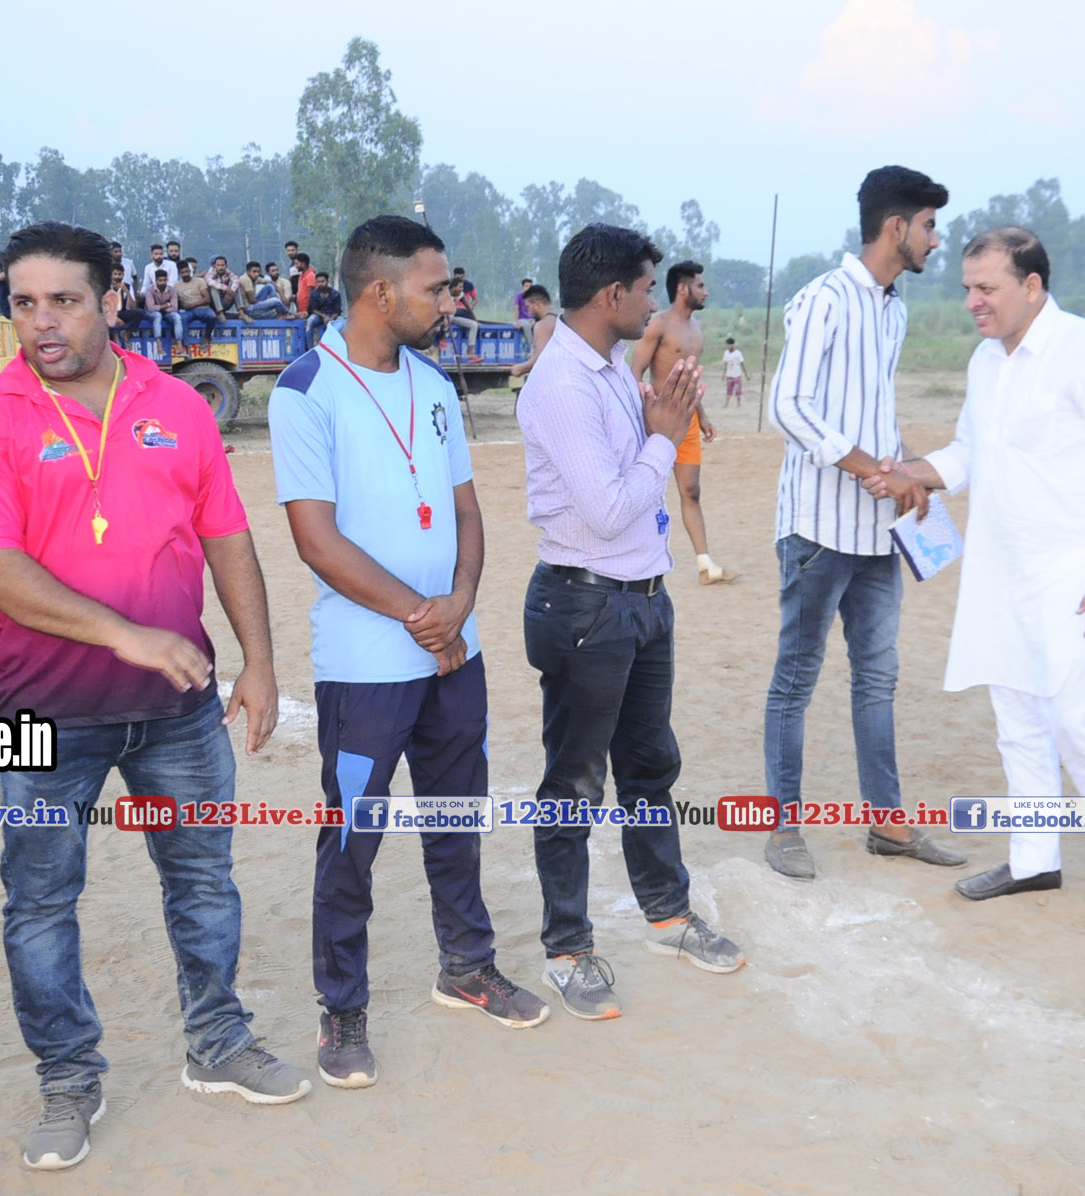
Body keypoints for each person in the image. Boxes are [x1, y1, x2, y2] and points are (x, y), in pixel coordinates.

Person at [0, 221, 309, 1171]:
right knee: (39, 902)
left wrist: (259, 662)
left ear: (111, 301)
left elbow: (226, 537)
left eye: (63, 301)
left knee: (203, 882)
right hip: (42, 716)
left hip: (180, 714)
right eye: (25, 303)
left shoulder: (177, 405)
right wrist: (125, 633)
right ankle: (69, 1079)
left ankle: (217, 1044)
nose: (41, 322)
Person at [269, 214, 549, 1090]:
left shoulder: (432, 383)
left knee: (457, 818)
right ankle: (341, 1006)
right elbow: (316, 540)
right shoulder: (305, 390)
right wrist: (420, 615)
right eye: (436, 288)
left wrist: (457, 607)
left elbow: (466, 509)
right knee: (353, 836)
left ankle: (466, 965)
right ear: (381, 292)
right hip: (365, 668)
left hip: (454, 655)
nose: (449, 300)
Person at [872, 227, 1085, 906]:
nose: (972, 300)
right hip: (1000, 573)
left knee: (1079, 719)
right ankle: (1034, 860)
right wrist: (912, 473)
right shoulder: (985, 361)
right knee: (1019, 721)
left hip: (1077, 574)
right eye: (967, 287)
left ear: (1031, 286)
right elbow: (970, 452)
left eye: (986, 288)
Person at [516, 222, 746, 1019]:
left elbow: (630, 476)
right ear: (611, 294)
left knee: (650, 769)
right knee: (574, 783)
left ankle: (667, 914)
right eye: (646, 290)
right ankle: (567, 949)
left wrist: (658, 426)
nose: (654, 305)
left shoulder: (613, 364)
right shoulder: (563, 383)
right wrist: (663, 440)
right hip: (585, 604)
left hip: (644, 599)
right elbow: (610, 508)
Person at [762, 165, 965, 881]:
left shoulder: (894, 310)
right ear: (895, 226)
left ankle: (888, 823)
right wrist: (865, 469)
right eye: (929, 226)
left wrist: (905, 472)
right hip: (817, 530)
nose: (935, 240)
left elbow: (873, 414)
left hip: (879, 534)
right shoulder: (824, 299)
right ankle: (784, 826)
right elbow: (788, 407)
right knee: (796, 679)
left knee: (878, 678)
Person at [631, 261, 739, 586]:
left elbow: (689, 379)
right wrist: (641, 416)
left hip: (687, 420)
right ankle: (635, 561)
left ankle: (706, 565)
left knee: (691, 490)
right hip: (656, 423)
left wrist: (702, 415)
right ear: (682, 289)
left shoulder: (697, 330)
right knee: (645, 491)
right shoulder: (658, 326)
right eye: (700, 286)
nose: (706, 292)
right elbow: (634, 373)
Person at [508, 284, 558, 377]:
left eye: (528, 307)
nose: (529, 312)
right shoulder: (560, 319)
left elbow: (541, 358)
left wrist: (519, 368)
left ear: (536, 304)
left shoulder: (543, 326)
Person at [175, 260, 220, 343]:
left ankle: (207, 336)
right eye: (183, 272)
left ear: (190, 271)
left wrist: (192, 305)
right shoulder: (176, 286)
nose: (185, 274)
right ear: (179, 274)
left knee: (213, 316)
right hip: (188, 312)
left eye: (187, 271)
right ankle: (186, 345)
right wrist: (183, 306)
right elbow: (179, 303)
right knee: (181, 319)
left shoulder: (199, 281)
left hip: (203, 309)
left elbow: (207, 299)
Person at [142, 267, 182, 345]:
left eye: (164, 280)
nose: (162, 282)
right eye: (160, 280)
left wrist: (162, 308)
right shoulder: (150, 289)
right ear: (156, 281)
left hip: (167, 313)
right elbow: (151, 308)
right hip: (151, 313)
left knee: (177, 317)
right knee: (157, 315)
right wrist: (167, 305)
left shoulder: (172, 290)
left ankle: (179, 343)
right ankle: (158, 343)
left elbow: (175, 307)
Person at [303, 272, 343, 347]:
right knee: (310, 321)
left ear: (327, 281)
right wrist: (324, 316)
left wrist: (331, 319)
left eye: (322, 281)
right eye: (318, 282)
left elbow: (337, 310)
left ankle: (339, 347)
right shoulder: (314, 294)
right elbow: (313, 309)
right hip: (319, 316)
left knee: (342, 321)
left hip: (332, 316)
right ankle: (310, 347)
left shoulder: (335, 294)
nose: (320, 284)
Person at [445, 281, 482, 362]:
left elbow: (468, 308)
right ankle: (441, 340)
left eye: (462, 287)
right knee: (447, 320)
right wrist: (454, 304)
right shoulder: (445, 293)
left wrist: (475, 320)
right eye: (460, 287)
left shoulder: (460, 294)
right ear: (453, 287)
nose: (461, 289)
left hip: (453, 317)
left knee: (473, 325)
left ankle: (470, 353)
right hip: (444, 317)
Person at [721, 335, 747, 407]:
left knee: (738, 390)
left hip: (737, 375)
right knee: (729, 390)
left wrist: (746, 374)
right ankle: (726, 404)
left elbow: (742, 364)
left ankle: (739, 403)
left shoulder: (738, 353)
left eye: (728, 345)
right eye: (727, 345)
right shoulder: (726, 353)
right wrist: (723, 374)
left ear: (732, 345)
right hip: (729, 375)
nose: (727, 346)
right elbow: (725, 364)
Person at [514, 277, 536, 347]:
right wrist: (515, 322)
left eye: (530, 286)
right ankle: (532, 346)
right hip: (522, 319)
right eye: (526, 286)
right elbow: (516, 308)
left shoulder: (534, 297)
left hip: (532, 319)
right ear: (522, 287)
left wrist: (535, 321)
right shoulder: (519, 295)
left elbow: (536, 310)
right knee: (526, 325)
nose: (528, 288)